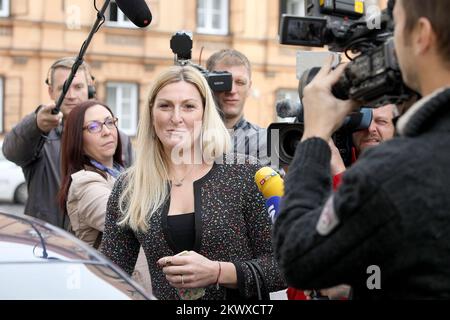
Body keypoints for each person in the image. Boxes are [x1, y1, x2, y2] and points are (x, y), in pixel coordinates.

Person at [274, 0, 450, 300]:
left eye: (394, 27)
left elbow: (298, 255)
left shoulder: (395, 171)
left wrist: (315, 134)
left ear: (421, 35)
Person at [100, 65, 285, 300]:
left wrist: (219, 271)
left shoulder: (246, 173)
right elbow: (110, 276)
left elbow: (284, 267)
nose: (176, 118)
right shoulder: (130, 186)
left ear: (205, 113)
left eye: (188, 106)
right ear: (151, 113)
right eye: (165, 106)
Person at [2, 57, 133, 228]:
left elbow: (135, 189)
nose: (71, 96)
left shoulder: (116, 137)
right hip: (48, 245)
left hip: (97, 250)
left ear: (90, 89)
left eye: (78, 87)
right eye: (63, 88)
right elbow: (11, 151)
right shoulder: (40, 136)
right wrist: (35, 124)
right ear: (51, 92)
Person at [57, 100, 151, 294]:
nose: (107, 131)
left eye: (109, 122)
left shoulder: (119, 172)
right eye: (93, 127)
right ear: (78, 139)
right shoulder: (85, 184)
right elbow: (129, 218)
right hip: (118, 288)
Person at [206, 49, 269, 165]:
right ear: (206, 83)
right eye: (224, 81)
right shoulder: (188, 134)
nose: (232, 90)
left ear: (249, 87)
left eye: (240, 82)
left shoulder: (265, 140)